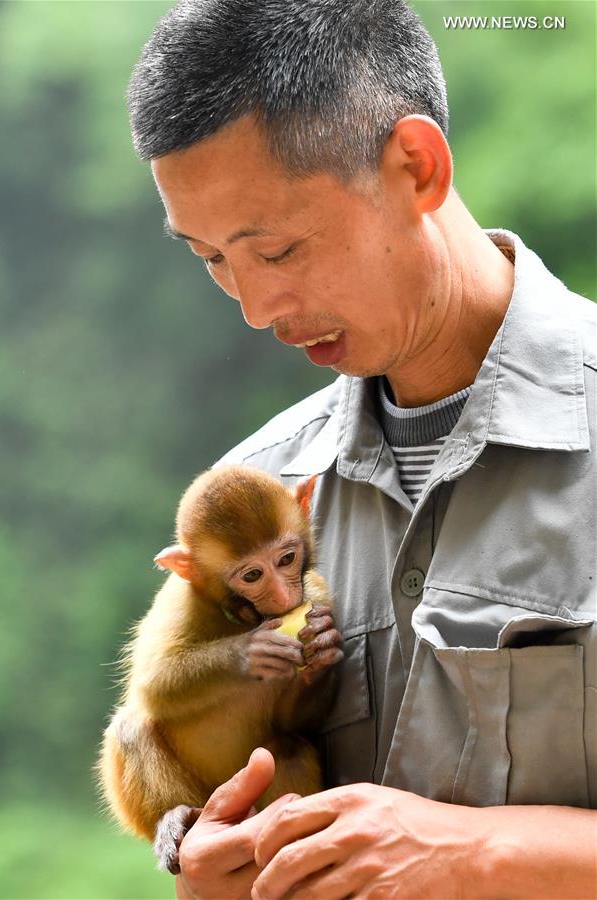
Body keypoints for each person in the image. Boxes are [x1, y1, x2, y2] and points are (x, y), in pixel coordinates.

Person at [127, 0, 597, 896]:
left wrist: (476, 855)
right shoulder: (261, 489)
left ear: (414, 167)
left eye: (277, 249)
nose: (255, 308)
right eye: (211, 259)